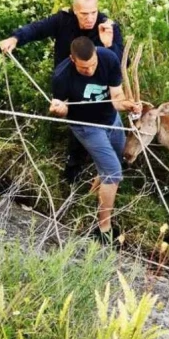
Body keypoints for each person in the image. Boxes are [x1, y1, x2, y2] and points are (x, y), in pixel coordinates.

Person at [0, 0, 124, 184]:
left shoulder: (107, 26)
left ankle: (103, 173)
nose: (90, 18)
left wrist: (109, 45)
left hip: (99, 88)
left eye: (93, 12)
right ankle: (71, 178)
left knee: (105, 127)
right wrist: (15, 38)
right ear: (75, 11)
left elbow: (120, 62)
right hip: (69, 84)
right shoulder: (63, 20)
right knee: (78, 126)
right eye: (84, 14)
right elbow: (37, 29)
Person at [49, 37, 141, 245]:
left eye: (92, 65)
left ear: (96, 56)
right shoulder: (61, 76)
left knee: (116, 160)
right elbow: (61, 109)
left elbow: (116, 96)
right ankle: (103, 229)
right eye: (84, 68)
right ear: (73, 60)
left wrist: (128, 105)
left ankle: (91, 197)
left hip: (111, 119)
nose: (89, 70)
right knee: (113, 172)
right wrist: (60, 110)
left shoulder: (108, 59)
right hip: (86, 126)